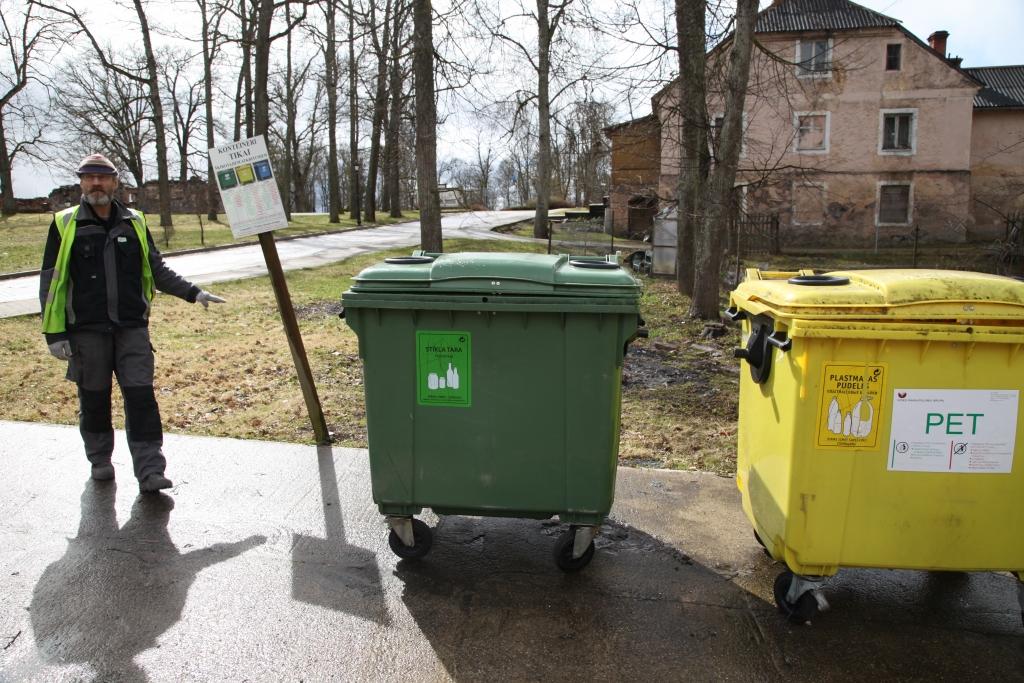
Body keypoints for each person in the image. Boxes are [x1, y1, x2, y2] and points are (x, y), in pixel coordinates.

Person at [39, 153, 226, 493]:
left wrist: (193, 293)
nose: (96, 183)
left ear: (115, 182)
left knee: (141, 398)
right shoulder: (65, 224)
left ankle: (150, 470)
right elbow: (51, 282)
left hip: (131, 328)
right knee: (94, 399)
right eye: (89, 177)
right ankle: (99, 459)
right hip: (87, 331)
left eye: (103, 177)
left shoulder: (134, 222)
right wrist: (54, 333)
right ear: (81, 182)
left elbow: (156, 270)